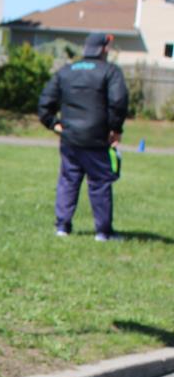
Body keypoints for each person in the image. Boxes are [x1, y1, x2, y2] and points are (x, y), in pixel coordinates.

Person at [38, 31, 128, 241]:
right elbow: (118, 102)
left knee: (68, 181)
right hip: (97, 138)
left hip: (70, 138)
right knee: (99, 184)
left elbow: (45, 102)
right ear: (104, 49)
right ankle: (103, 232)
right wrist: (115, 129)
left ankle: (62, 227)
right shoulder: (110, 71)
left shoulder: (66, 71)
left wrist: (53, 124)